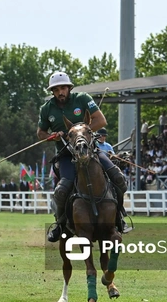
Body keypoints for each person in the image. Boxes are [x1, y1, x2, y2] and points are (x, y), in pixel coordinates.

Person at [37, 71, 127, 242]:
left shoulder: (83, 99)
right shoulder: (47, 109)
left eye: (63, 88)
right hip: (66, 155)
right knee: (62, 190)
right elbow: (40, 133)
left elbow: (101, 121)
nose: (60, 92)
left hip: (91, 150)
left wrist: (80, 132)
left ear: (69, 88)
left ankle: (119, 218)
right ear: (52, 92)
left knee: (118, 177)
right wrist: (51, 136)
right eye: (56, 90)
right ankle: (61, 224)